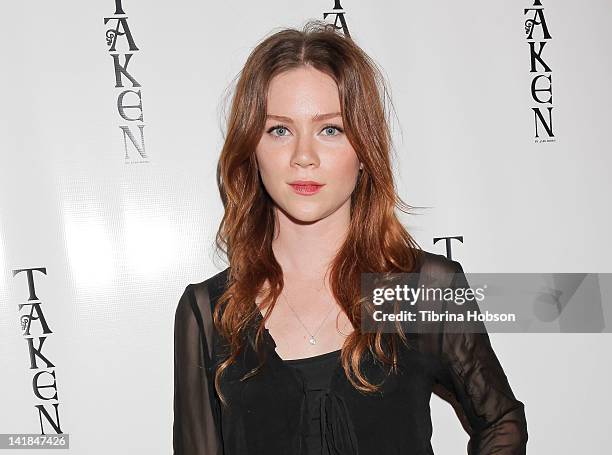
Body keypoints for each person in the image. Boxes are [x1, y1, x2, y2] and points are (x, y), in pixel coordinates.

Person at [173, 20, 528, 455]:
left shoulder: (421, 290)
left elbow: (501, 422)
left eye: (330, 129)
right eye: (279, 130)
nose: (303, 157)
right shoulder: (211, 313)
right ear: (252, 149)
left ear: (363, 150)